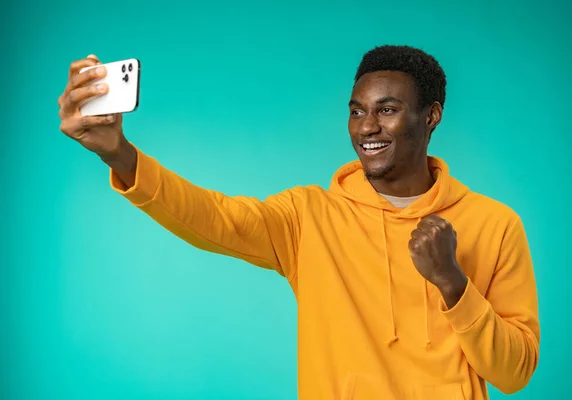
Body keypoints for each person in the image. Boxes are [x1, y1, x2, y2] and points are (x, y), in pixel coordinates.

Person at [58, 45, 540, 400]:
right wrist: (120, 155)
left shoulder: (495, 225)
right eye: (357, 112)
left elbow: (514, 373)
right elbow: (211, 216)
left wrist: (454, 284)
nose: (366, 127)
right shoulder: (309, 217)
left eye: (387, 110)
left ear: (431, 116)